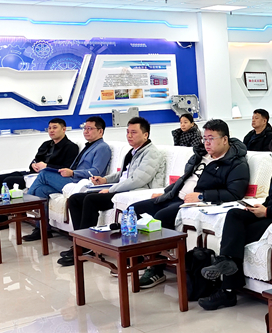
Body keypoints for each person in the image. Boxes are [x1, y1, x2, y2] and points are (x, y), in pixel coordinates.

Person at [123, 120, 249, 288]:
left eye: (211, 138)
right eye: (204, 138)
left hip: (192, 202)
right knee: (135, 209)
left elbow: (234, 193)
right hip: (175, 196)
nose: (206, 143)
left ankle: (156, 269)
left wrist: (202, 196)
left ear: (225, 139)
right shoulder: (200, 155)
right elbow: (184, 179)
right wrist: (167, 192)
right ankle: (138, 258)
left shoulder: (236, 163)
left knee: (161, 217)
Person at [200, 133, 272, 310]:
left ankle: (227, 290)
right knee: (234, 214)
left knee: (237, 236)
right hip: (267, 213)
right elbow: (271, 198)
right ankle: (226, 262)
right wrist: (259, 208)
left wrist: (267, 211)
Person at [57, 118, 166, 266]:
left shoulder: (151, 153)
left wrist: (110, 189)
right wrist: (104, 180)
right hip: (122, 188)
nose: (129, 136)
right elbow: (122, 174)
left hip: (135, 191)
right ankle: (82, 242)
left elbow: (137, 180)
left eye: (134, 132)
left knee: (91, 200)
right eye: (128, 132)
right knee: (75, 199)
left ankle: (86, 246)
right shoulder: (133, 151)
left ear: (145, 135)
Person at [24, 116, 112, 242]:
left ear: (100, 131)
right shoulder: (89, 146)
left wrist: (73, 173)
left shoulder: (102, 147)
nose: (86, 131)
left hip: (80, 182)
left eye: (90, 128)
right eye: (85, 128)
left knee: (44, 174)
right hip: (71, 179)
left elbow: (96, 172)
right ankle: (42, 229)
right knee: (41, 190)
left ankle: (25, 205)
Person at [0, 118, 79, 232]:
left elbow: (67, 168)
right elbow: (35, 160)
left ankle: (9, 216)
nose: (51, 131)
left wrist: (47, 166)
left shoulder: (71, 147)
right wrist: (33, 165)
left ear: (64, 129)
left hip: (45, 176)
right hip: (32, 173)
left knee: (9, 180)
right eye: (49, 128)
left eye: (55, 128)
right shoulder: (46, 144)